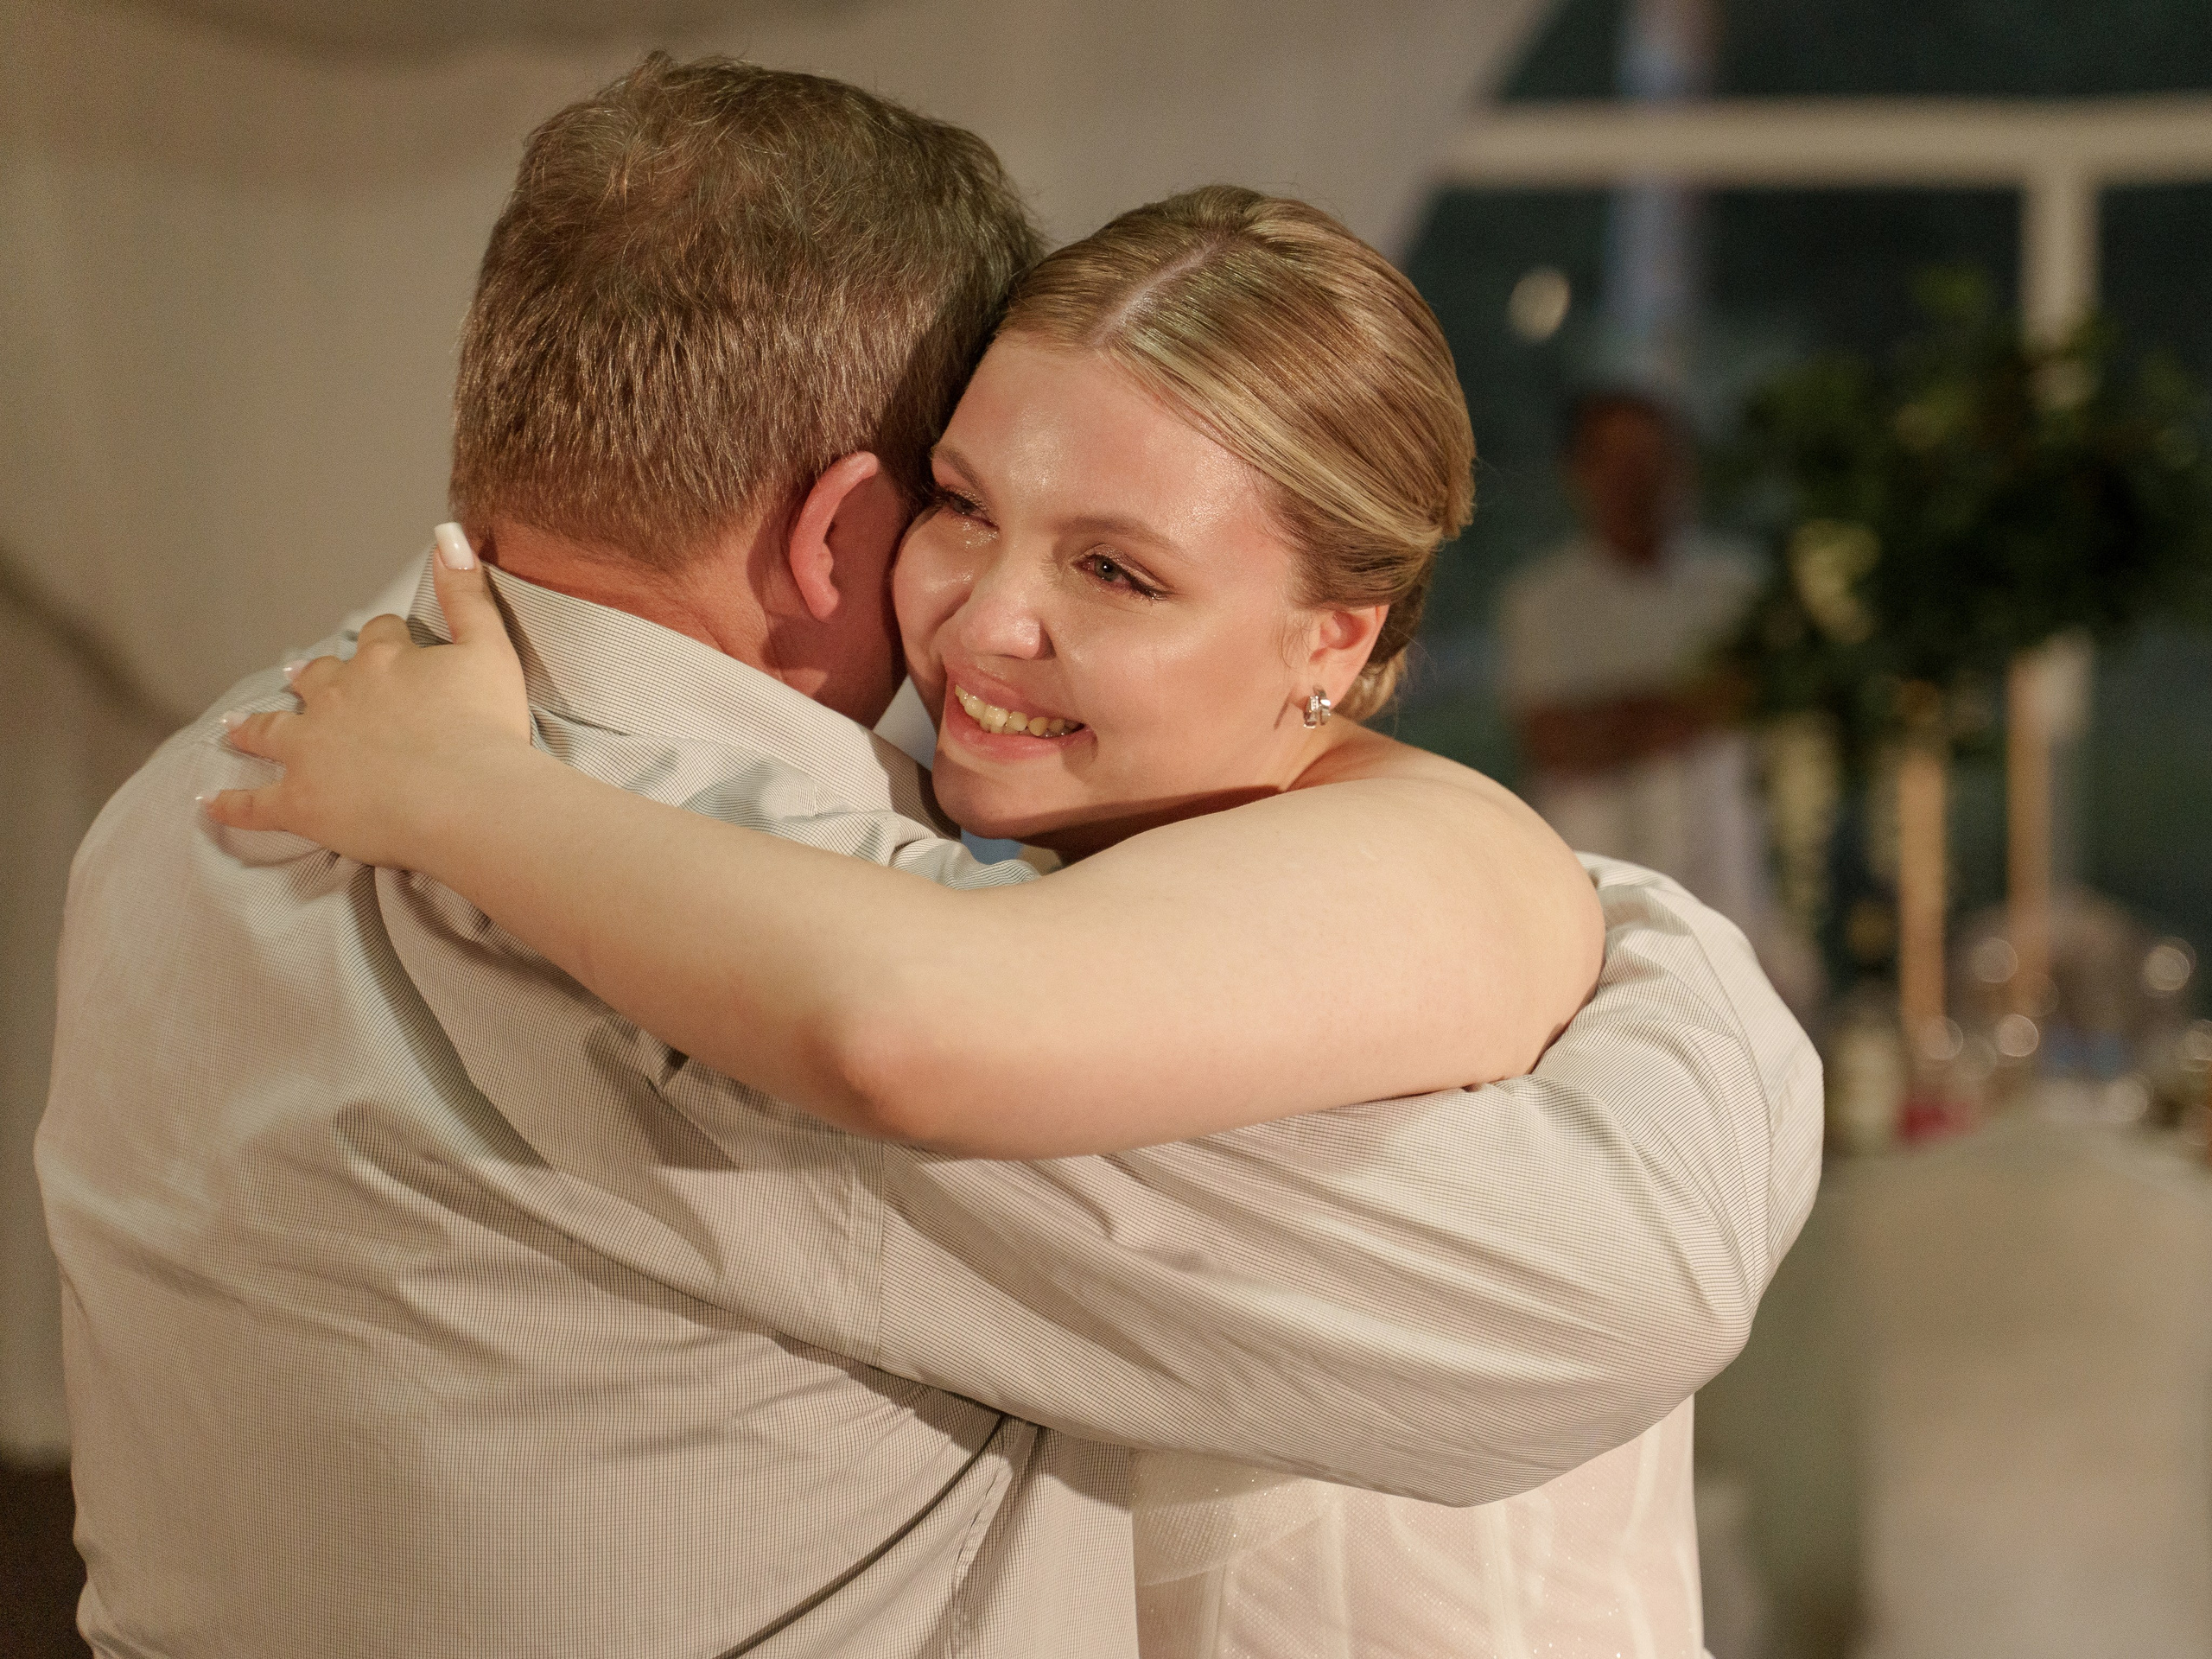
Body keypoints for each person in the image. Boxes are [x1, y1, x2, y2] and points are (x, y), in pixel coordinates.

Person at [39, 56, 1819, 1659]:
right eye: (960, 506)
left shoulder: (208, 780)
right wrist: (1645, 947)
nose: (985, 619)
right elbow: (1615, 1270)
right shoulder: (774, 913)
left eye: (1113, 569)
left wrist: (1539, 899)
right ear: (844, 526)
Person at [1500, 390, 1773, 943]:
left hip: (1728, 879)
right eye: (1618, 460)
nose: (1638, 479)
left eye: (1653, 457)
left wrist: (1614, 719)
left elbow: (1764, 702)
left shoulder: (1739, 583)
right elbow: (1551, 742)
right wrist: (1695, 706)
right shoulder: (1540, 601)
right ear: (1579, 473)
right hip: (1598, 888)